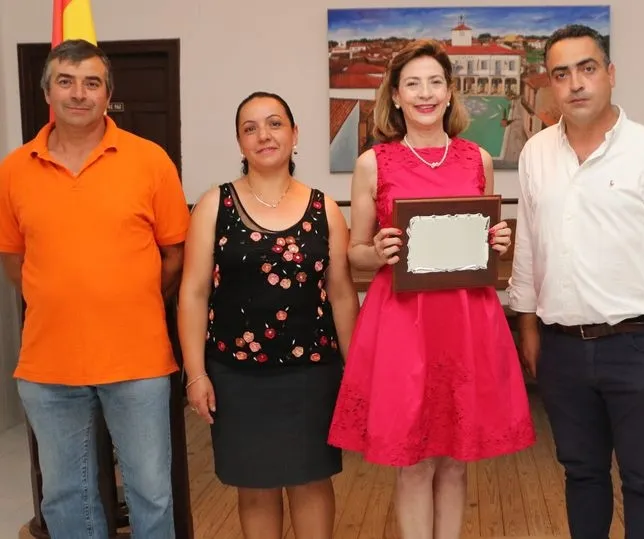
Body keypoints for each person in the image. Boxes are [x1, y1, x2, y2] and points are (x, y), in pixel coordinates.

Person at [507, 24, 644, 539]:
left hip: (639, 346)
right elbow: (528, 246)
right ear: (550, 85)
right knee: (581, 474)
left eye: (587, 68)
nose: (576, 83)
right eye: (561, 74)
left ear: (610, 74)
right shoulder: (536, 154)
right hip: (561, 348)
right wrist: (528, 328)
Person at [327, 39, 535, 538]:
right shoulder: (373, 163)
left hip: (466, 319)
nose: (425, 93)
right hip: (403, 321)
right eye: (413, 84)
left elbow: (484, 243)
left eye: (435, 82)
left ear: (449, 93)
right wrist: (378, 250)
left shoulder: (478, 159)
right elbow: (355, 252)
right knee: (415, 461)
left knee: (456, 461)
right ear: (396, 96)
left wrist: (497, 241)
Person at [0, 39, 189, 537]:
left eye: (91, 83)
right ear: (47, 92)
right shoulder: (14, 169)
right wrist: (63, 299)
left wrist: (127, 299)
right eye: (66, 81)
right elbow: (15, 260)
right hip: (49, 366)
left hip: (138, 361)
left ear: (108, 94)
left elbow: (174, 255)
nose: (79, 93)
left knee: (152, 493)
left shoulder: (150, 161)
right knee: (66, 496)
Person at [177, 91, 359, 539]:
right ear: (240, 143)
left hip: (311, 373)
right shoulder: (214, 205)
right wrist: (196, 374)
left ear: (295, 134)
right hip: (236, 375)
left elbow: (341, 295)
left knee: (312, 481)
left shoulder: (325, 209)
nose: (264, 135)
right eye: (250, 128)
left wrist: (356, 371)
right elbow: (194, 293)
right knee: (255, 487)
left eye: (275, 124)